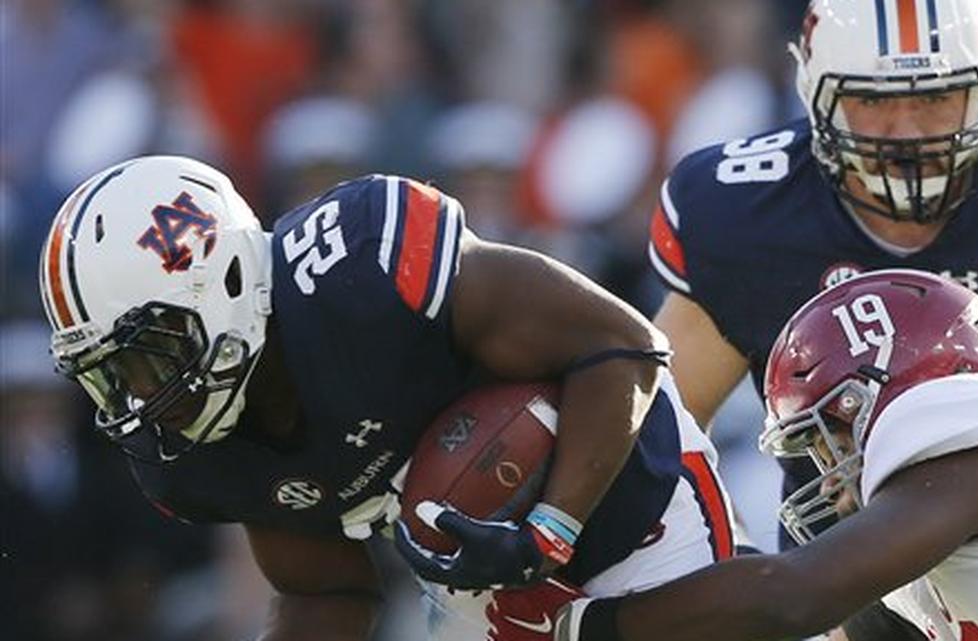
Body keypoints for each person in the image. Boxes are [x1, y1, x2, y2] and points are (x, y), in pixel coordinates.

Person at [38, 155, 737, 641]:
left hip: (632, 501)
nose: (138, 393)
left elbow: (621, 343)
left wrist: (551, 525)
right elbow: (324, 592)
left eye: (146, 356)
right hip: (481, 592)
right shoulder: (188, 456)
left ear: (218, 285)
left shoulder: (361, 273)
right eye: (111, 372)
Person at [648, 0, 978, 636]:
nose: (907, 132)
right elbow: (660, 436)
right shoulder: (741, 214)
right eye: (874, 102)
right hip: (839, 584)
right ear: (815, 97)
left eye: (937, 98)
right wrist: (730, 565)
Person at [489, 268, 978, 641]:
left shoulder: (968, 442)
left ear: (878, 395)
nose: (825, 478)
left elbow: (790, 595)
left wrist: (579, 627)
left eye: (826, 433)